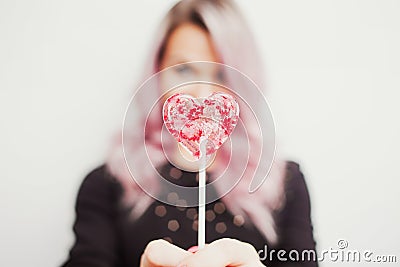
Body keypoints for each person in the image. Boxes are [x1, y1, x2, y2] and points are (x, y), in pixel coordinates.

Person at [61, 0, 318, 266]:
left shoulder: (285, 183)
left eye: (220, 73)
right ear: (157, 73)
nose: (203, 94)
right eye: (183, 69)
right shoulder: (106, 185)